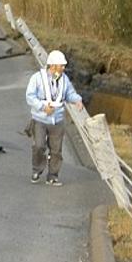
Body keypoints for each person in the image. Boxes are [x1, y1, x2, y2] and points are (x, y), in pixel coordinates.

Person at [25, 50, 83, 186]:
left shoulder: (64, 79)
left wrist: (77, 100)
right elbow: (30, 96)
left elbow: (69, 93)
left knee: (56, 150)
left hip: (57, 120)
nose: (63, 68)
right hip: (40, 119)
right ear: (53, 66)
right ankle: (37, 170)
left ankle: (52, 176)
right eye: (61, 65)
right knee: (39, 146)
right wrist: (43, 107)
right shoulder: (37, 78)